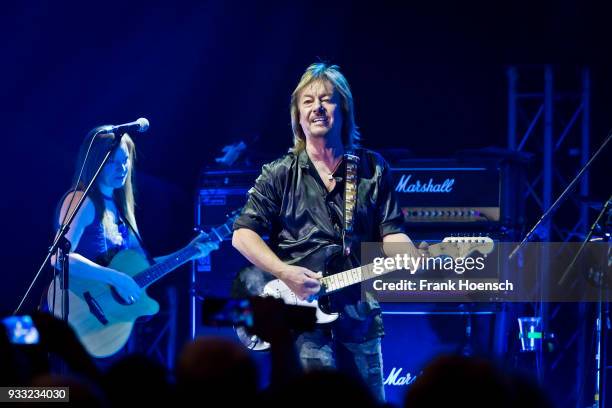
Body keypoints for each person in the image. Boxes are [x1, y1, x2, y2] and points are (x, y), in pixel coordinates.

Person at [232, 62, 422, 401]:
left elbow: (392, 231)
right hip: (300, 316)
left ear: (343, 109)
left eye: (327, 99)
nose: (317, 107)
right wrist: (284, 272)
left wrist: (406, 251)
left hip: (358, 314)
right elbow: (242, 234)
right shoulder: (279, 173)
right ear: (298, 116)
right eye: (308, 101)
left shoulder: (372, 168)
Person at [48, 129, 217, 363]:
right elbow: (59, 258)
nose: (122, 168)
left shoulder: (122, 209)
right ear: (97, 162)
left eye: (125, 160)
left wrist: (189, 251)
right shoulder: (82, 200)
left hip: (109, 327)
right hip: (76, 314)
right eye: (113, 162)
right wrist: (116, 278)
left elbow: (144, 268)